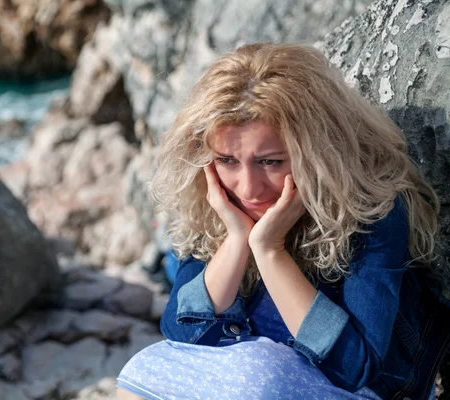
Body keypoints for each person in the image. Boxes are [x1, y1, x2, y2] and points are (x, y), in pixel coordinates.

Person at [115, 43, 450, 400]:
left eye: (270, 162)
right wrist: (236, 240)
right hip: (253, 376)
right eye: (227, 160)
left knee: (259, 380)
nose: (248, 187)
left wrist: (270, 251)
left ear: (318, 151)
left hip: (356, 390)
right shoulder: (217, 202)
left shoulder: (371, 210)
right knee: (140, 373)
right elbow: (180, 335)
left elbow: (356, 366)